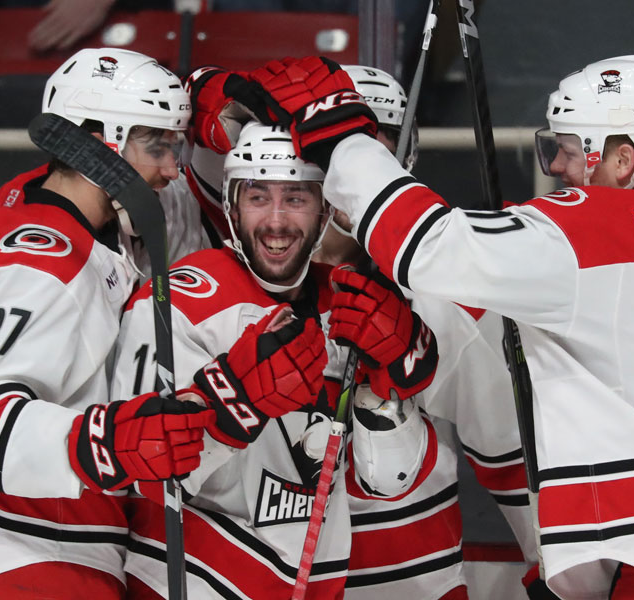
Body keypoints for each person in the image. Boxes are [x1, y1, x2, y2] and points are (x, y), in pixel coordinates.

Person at [254, 54, 634, 599]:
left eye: (568, 151)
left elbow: (426, 245)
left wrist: (340, 137)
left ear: (623, 159)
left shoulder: (589, 233)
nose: (557, 169)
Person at [0, 47, 222, 599]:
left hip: (62, 550)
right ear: (99, 140)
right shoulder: (39, 265)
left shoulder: (53, 199)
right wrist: (109, 442)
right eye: (156, 144)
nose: (170, 167)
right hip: (29, 560)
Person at [114, 123, 442, 599]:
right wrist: (237, 397)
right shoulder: (177, 301)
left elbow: (388, 482)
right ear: (229, 205)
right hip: (196, 581)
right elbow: (146, 477)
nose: (276, 220)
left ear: (325, 208)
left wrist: (385, 393)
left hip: (311, 583)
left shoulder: (352, 305)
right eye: (258, 197)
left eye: (296, 198)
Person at [319, 64, 546, 600]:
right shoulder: (254, 270)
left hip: (413, 584)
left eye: (381, 149)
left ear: (408, 157)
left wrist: (559, 576)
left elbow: (512, 463)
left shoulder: (456, 292)